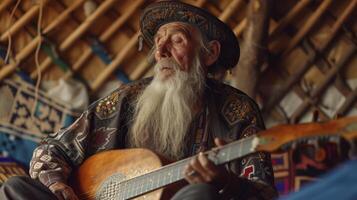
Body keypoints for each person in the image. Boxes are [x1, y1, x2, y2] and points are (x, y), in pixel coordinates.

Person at [0, 1, 277, 199]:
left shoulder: (238, 113)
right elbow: (49, 151)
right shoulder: (126, 99)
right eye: (158, 41)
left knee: (199, 195)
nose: (161, 50)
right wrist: (59, 185)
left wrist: (227, 182)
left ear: (210, 53)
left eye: (177, 40)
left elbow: (264, 193)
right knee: (16, 188)